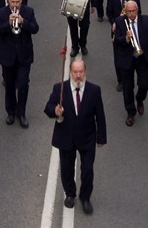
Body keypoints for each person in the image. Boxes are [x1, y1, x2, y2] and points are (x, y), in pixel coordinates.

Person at [44, 60, 107, 215]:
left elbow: (100, 115)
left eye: (81, 72)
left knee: (87, 170)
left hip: (87, 137)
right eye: (75, 72)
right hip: (66, 137)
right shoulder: (60, 89)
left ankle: (85, 198)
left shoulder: (94, 90)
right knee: (66, 169)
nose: (78, 76)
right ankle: (70, 194)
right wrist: (55, 111)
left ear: (85, 72)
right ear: (70, 72)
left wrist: (101, 138)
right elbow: (48, 108)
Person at [113, 0, 148, 126]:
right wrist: (125, 38)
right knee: (127, 87)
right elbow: (116, 40)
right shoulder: (120, 21)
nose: (131, 14)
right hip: (127, 58)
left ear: (137, 10)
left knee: (144, 84)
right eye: (128, 11)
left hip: (142, 58)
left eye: (133, 11)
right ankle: (130, 112)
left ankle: (140, 99)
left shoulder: (145, 19)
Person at [0, 0, 40, 128]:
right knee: (10, 86)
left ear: (21, 0)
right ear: (9, 1)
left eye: (17, 2)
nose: (15, 5)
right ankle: (11, 112)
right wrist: (8, 23)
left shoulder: (28, 12)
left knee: (23, 85)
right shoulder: (1, 13)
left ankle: (22, 113)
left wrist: (23, 22)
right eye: (12, 2)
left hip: (24, 55)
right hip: (8, 55)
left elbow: (35, 29)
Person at [106, 0, 141, 92]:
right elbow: (109, 12)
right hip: (118, 30)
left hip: (131, 29)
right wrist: (113, 23)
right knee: (118, 56)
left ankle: (132, 75)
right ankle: (120, 80)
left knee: (132, 53)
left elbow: (139, 12)